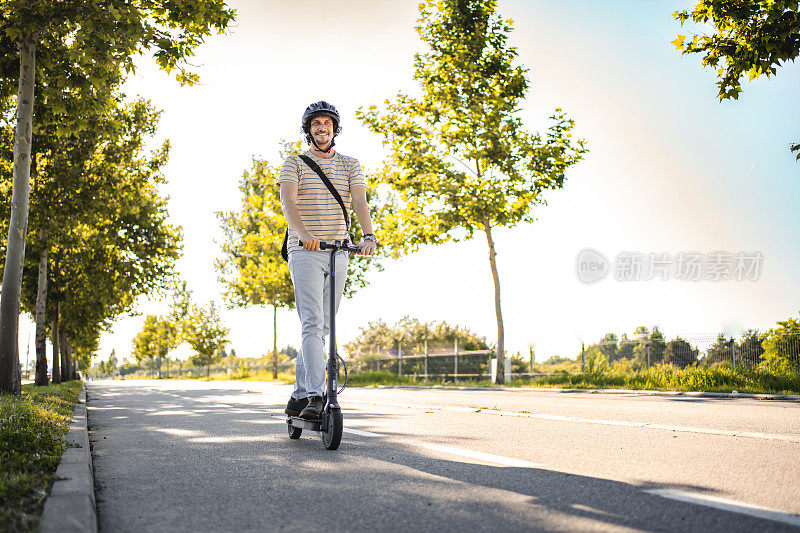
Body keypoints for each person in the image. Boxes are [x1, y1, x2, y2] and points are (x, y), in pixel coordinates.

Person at [278, 101, 378, 420]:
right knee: (311, 321)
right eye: (316, 123)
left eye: (327, 123)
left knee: (323, 326)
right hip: (305, 250)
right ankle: (315, 395)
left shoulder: (350, 164)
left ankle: (297, 394)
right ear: (307, 129)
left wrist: (368, 236)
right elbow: (288, 203)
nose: (322, 128)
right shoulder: (294, 162)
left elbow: (359, 201)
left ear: (335, 129)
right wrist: (305, 233)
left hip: (338, 249)